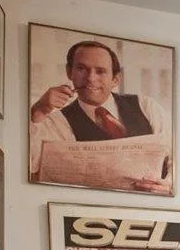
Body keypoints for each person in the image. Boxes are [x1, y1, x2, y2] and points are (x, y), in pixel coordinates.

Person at [29, 38, 172, 183]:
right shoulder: (57, 121)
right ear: (69, 72)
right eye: (81, 69)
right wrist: (39, 111)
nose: (91, 78)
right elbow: (33, 166)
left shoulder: (146, 106)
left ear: (115, 79)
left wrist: (168, 184)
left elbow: (177, 156)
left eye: (100, 71)